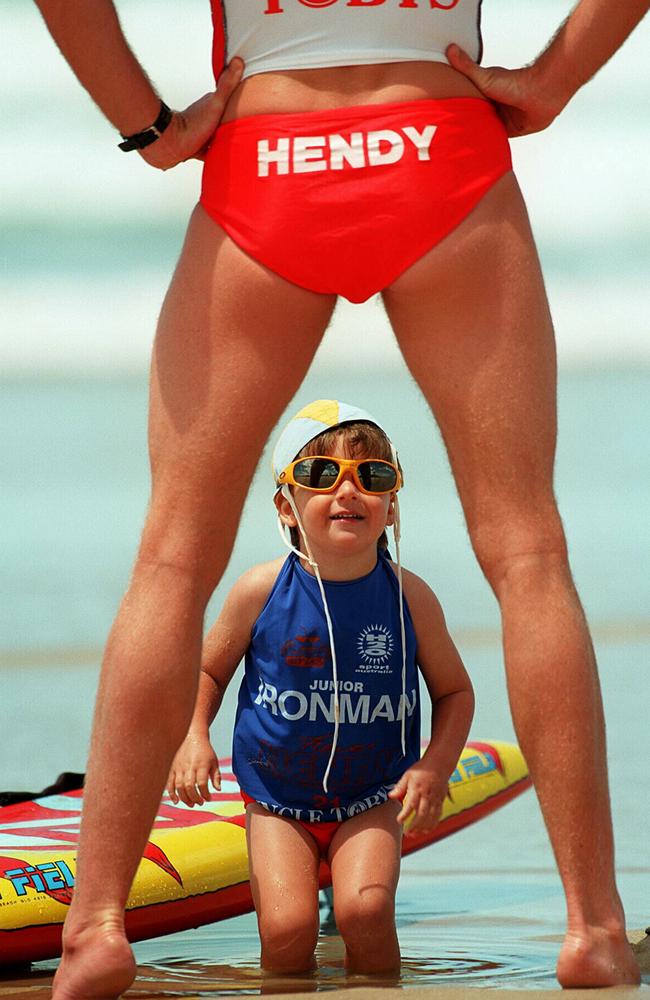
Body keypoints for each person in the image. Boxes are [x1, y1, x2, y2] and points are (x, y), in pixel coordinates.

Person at [33, 0, 647, 995]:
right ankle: (592, 928)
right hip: (436, 145)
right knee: (526, 550)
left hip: (267, 156)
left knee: (172, 558)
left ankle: (96, 925)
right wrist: (554, 77)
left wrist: (152, 128)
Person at [165, 400, 474, 974]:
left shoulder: (411, 598)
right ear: (286, 505)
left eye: (372, 477)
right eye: (321, 475)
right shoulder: (259, 592)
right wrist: (192, 738)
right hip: (278, 801)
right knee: (288, 931)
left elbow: (455, 692)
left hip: (372, 798)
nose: (348, 491)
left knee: (367, 913)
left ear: (392, 506)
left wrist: (434, 767)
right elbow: (205, 671)